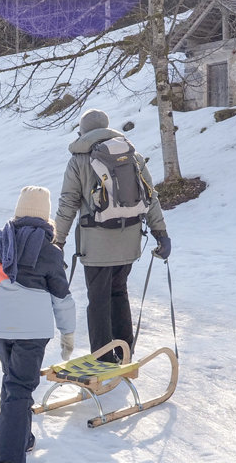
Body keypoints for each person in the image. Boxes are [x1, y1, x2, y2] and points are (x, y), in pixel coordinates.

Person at [0, 186, 77, 463]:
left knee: (13, 381)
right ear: (46, 215)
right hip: (31, 330)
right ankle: (10, 460)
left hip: (0, 328)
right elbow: (62, 298)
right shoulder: (50, 252)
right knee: (20, 387)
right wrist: (68, 334)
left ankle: (22, 437)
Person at [53, 108, 170, 364]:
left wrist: (57, 241)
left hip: (96, 245)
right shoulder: (132, 156)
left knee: (98, 300)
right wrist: (161, 233)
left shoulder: (78, 161)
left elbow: (68, 204)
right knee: (119, 293)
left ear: (82, 131)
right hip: (129, 241)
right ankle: (125, 351)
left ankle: (104, 360)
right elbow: (152, 198)